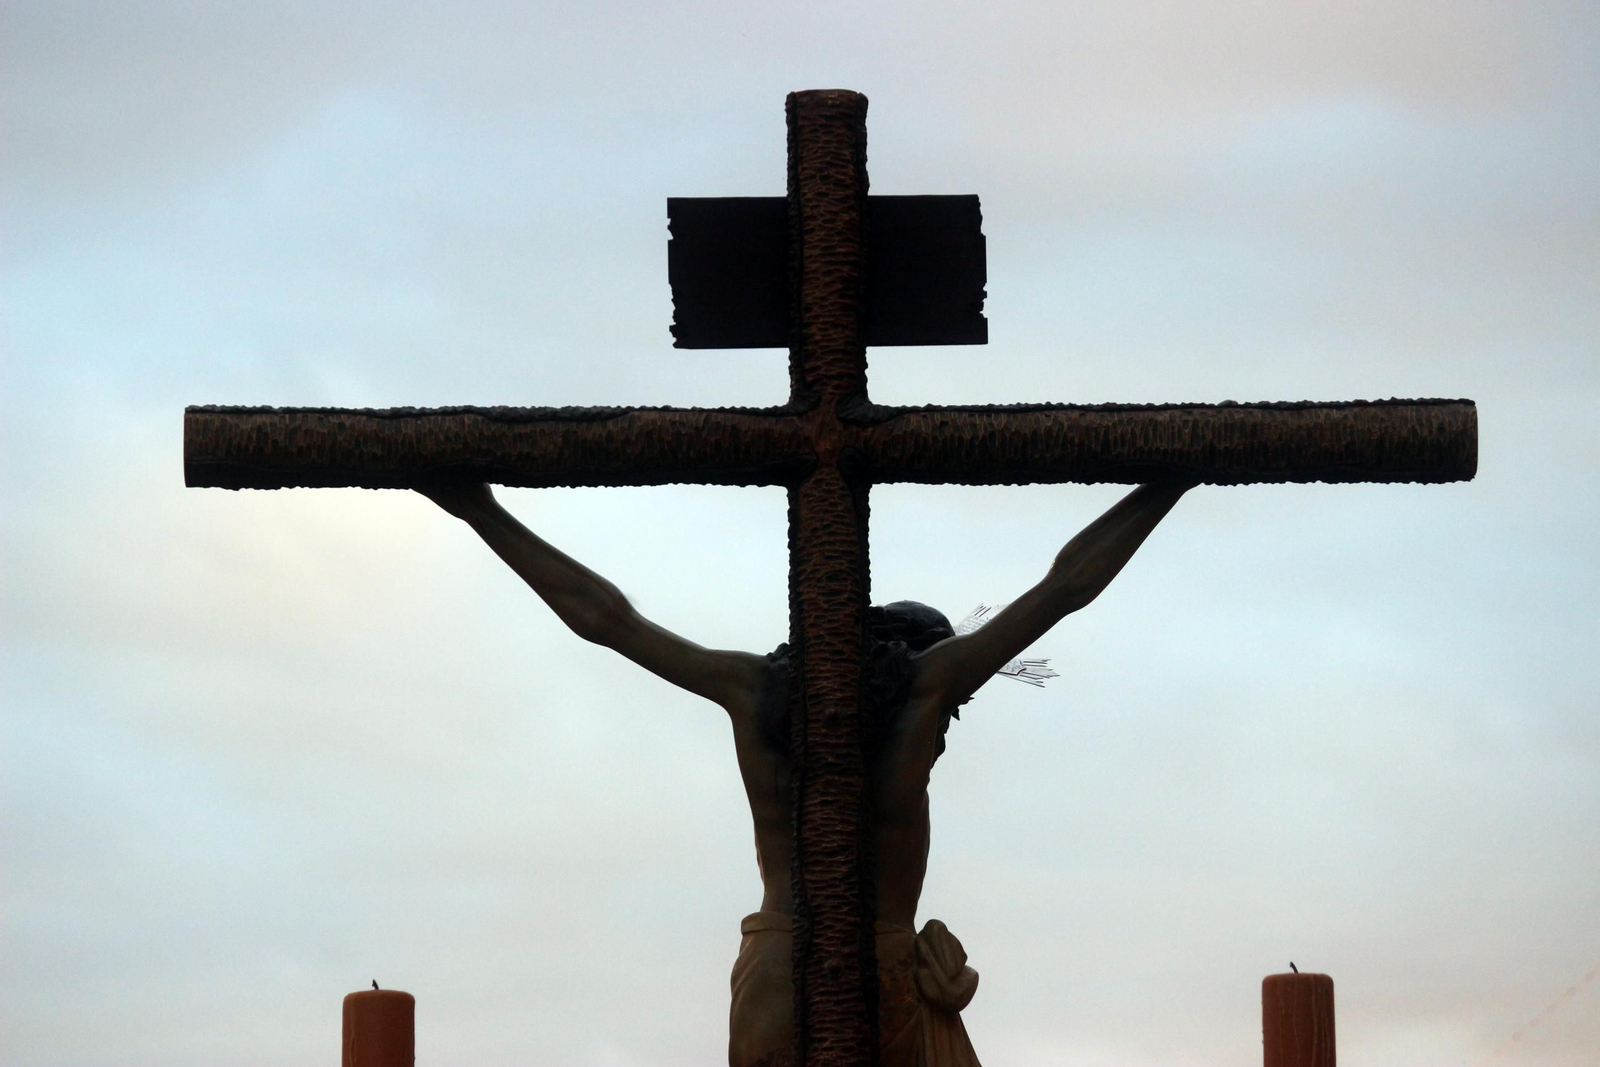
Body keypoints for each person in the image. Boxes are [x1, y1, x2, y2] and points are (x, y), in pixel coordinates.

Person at [418, 481, 1193, 1066]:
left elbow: (607, 620)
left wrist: (483, 511)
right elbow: (1065, 585)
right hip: (884, 970)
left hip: (778, 971)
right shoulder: (925, 690)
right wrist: (1170, 481)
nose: (948, 734)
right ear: (933, 667)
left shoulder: (753, 689)